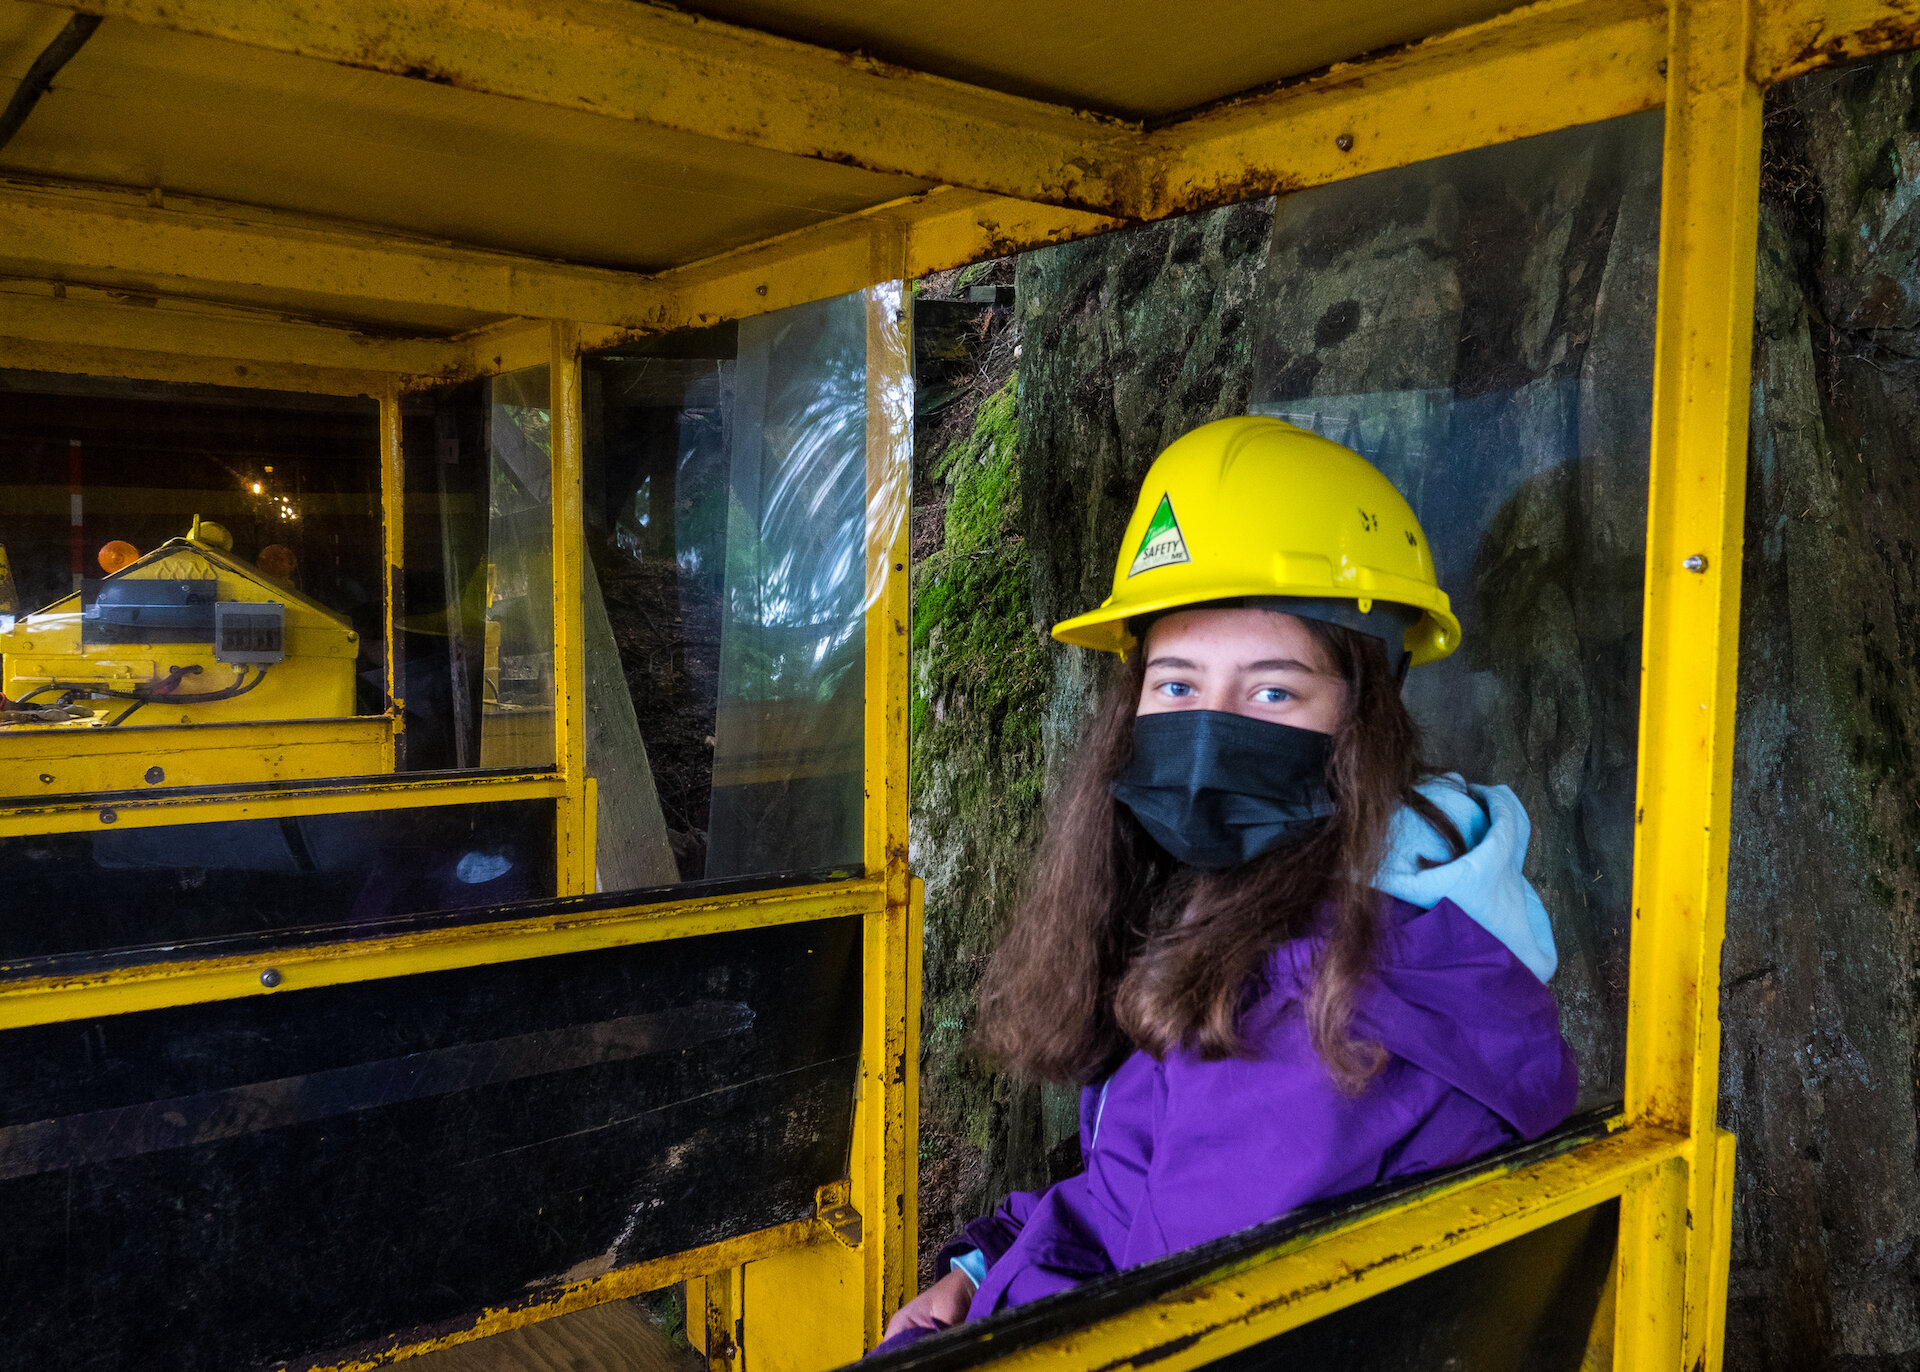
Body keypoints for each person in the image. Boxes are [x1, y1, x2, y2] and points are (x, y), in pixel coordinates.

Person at [877, 416, 1577, 1349]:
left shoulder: (1310, 1005)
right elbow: (1139, 1186)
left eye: (1273, 691)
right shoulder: (1346, 899)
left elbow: (1154, 1331)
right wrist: (982, 1268)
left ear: (1366, 708)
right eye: (1175, 686)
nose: (1208, 731)